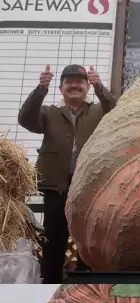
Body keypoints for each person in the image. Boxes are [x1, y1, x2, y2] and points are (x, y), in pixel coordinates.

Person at [17, 64, 116, 283]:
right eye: (69, 82)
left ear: (87, 86)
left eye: (79, 81)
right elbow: (26, 119)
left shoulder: (99, 111)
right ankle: (49, 284)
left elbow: (118, 112)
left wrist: (101, 88)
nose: (74, 85)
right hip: (56, 187)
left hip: (90, 187)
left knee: (87, 239)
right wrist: (40, 90)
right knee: (54, 239)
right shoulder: (49, 112)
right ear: (60, 88)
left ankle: (84, 283)